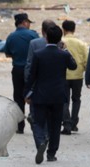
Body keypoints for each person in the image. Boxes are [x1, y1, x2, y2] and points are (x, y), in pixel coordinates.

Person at [25, 25, 77, 164]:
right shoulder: (64, 54)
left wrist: (27, 93)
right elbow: (74, 66)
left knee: (38, 122)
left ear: (46, 37)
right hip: (58, 95)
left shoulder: (38, 54)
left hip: (40, 94)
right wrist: (65, 49)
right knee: (55, 125)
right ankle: (51, 153)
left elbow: (32, 76)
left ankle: (41, 142)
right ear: (60, 38)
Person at [5, 13, 39, 133]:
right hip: (31, 70)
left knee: (18, 96)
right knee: (33, 94)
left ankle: (20, 126)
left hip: (17, 69)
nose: (29, 25)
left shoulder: (11, 36)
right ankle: (35, 122)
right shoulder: (33, 35)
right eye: (28, 22)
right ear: (24, 22)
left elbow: (7, 53)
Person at [24, 19, 56, 148]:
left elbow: (29, 65)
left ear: (42, 30)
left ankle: (40, 140)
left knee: (35, 116)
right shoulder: (60, 44)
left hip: (37, 86)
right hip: (54, 86)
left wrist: (28, 87)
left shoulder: (34, 43)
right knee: (51, 115)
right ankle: (47, 135)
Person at [60, 20, 88, 135]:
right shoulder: (81, 44)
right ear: (74, 29)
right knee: (76, 99)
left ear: (63, 30)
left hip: (63, 75)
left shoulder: (60, 42)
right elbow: (86, 61)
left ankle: (66, 124)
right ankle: (74, 122)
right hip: (77, 75)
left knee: (64, 100)